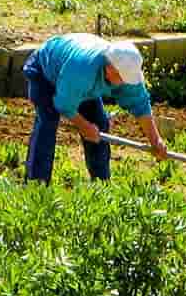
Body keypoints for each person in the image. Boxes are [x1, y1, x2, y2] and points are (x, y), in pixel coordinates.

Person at [23, 34, 169, 184]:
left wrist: (155, 140)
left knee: (99, 125)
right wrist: (84, 126)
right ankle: (36, 184)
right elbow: (64, 104)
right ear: (109, 68)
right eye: (122, 77)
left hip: (76, 80)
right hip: (45, 71)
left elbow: (140, 105)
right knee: (48, 122)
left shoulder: (126, 73)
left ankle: (101, 183)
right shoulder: (82, 70)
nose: (124, 82)